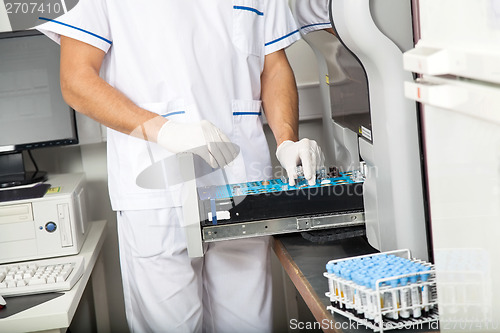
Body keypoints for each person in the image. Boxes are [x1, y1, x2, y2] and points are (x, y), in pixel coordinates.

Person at [37, 1, 323, 332]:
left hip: (241, 186)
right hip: (156, 186)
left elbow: (273, 66)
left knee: (249, 325)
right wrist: (165, 131)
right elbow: (76, 79)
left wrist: (287, 139)